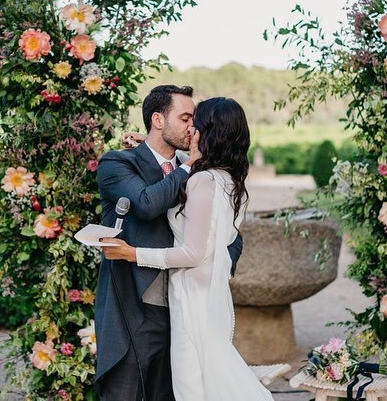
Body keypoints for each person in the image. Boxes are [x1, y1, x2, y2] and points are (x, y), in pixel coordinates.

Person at [102, 97, 272, 401]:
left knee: (192, 385)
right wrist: (152, 146)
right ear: (158, 120)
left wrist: (133, 253)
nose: (191, 126)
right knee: (204, 377)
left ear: (208, 131)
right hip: (175, 298)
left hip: (190, 295)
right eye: (185, 119)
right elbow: (147, 201)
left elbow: (211, 246)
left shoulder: (200, 177)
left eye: (195, 121)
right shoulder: (225, 177)